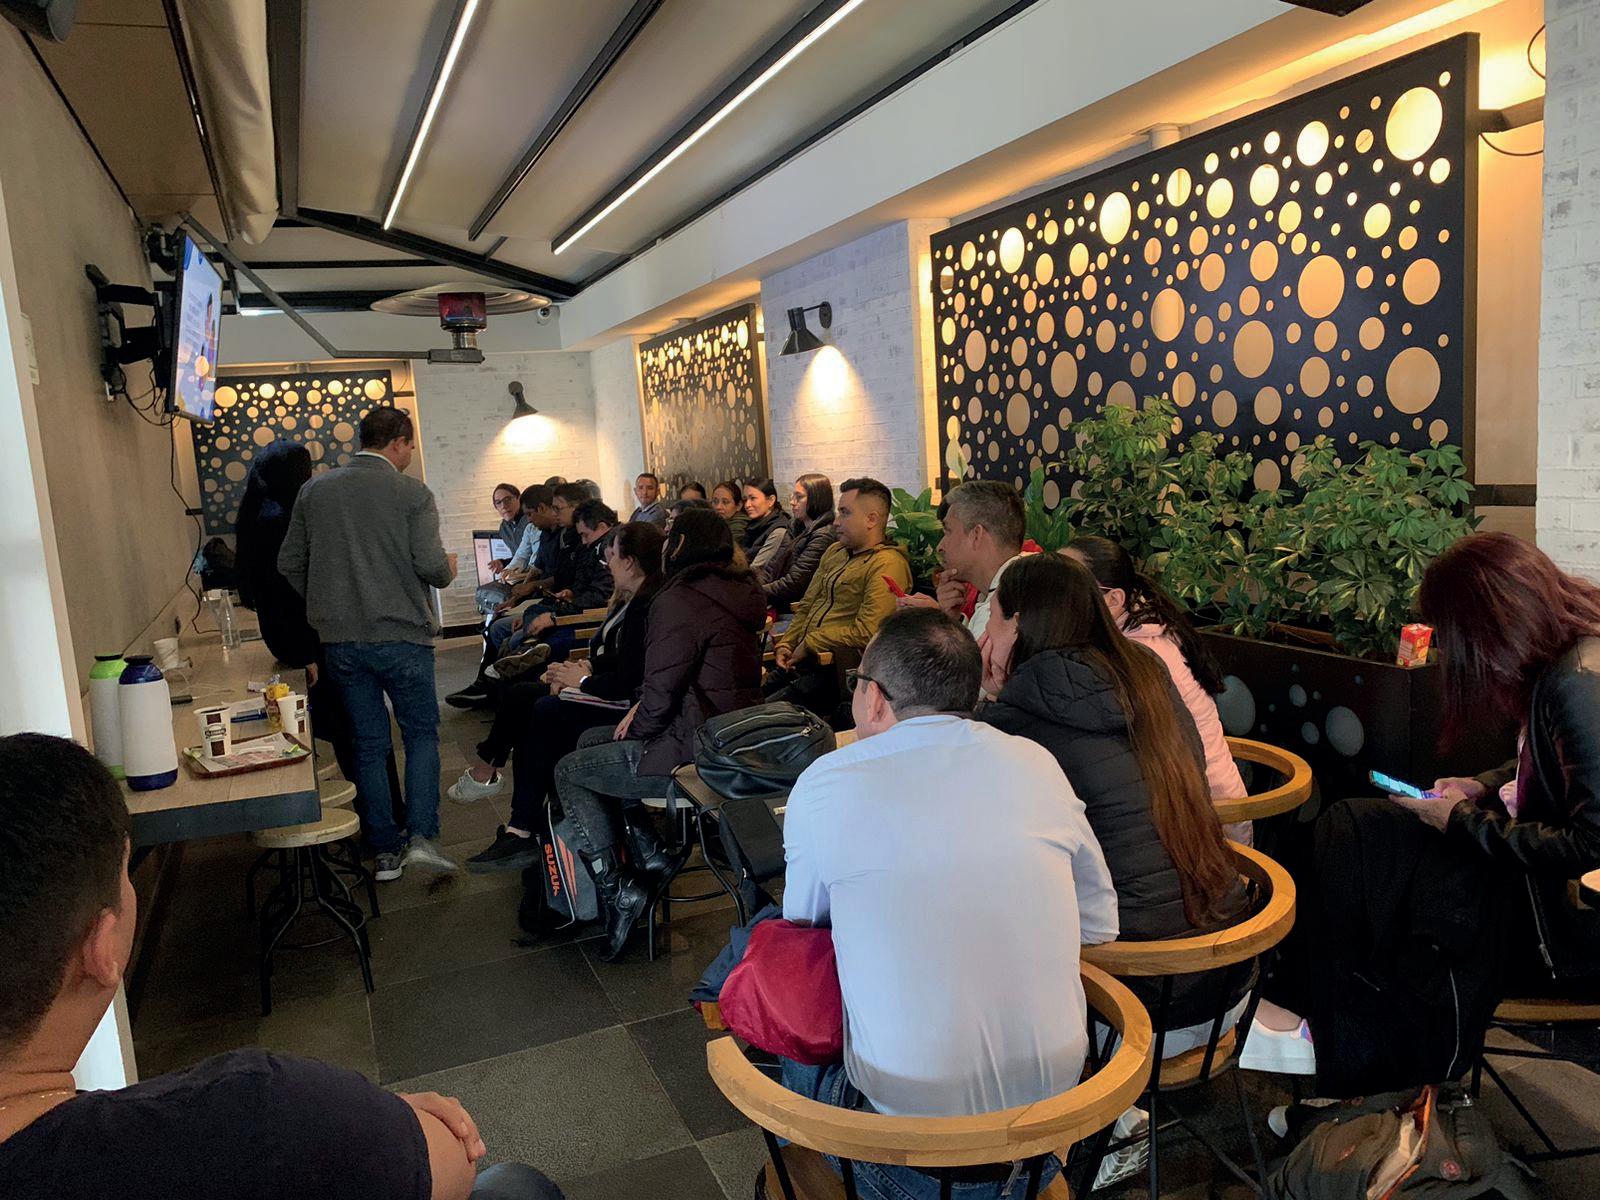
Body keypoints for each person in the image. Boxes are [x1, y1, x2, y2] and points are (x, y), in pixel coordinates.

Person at [0, 732, 566, 1200]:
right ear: (102, 950)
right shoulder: (254, 1113)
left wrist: (358, 1128)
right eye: (125, 875)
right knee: (516, 1187)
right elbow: (454, 1162)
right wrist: (360, 1125)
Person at [780, 610, 1117, 1200]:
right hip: (1048, 1135)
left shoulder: (828, 780)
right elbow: (1099, 923)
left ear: (874, 697)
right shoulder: (1036, 762)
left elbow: (803, 923)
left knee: (791, 1005)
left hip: (906, 1159)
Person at [1248, 531, 1600, 1094]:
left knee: (1365, 849)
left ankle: (1345, 1044)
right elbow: (1547, 767)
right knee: (1357, 830)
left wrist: (1462, 821)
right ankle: (1337, 1033)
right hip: (1528, 882)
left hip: (1559, 928)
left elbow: (1590, 844)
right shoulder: (1566, 663)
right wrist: (1479, 787)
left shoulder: (1577, 686)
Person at [977, 555, 1249, 1039]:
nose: (983, 630)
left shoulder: (1016, 723)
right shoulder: (1146, 672)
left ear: (1018, 623)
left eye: (992, 615)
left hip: (1129, 1006)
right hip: (1226, 974)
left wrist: (992, 701)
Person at [553, 509, 765, 961]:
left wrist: (637, 723)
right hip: (729, 740)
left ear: (682, 545)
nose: (665, 545)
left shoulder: (680, 599)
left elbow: (661, 695)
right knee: (592, 741)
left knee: (570, 770)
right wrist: (640, 712)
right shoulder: (740, 589)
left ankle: (617, 888)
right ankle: (649, 850)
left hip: (691, 753)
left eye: (671, 537)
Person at [278, 407, 457, 881]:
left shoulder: (314, 491)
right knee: (420, 735)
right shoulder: (412, 493)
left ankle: (384, 851)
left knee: (369, 742)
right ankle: (422, 837)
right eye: (410, 445)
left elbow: (289, 562)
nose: (410, 454)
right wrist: (449, 568)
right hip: (403, 636)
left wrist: (327, 599)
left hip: (340, 641)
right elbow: (433, 567)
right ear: (397, 442)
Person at [452, 523, 666, 872]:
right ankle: (513, 813)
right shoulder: (634, 599)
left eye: (611, 557)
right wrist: (580, 668)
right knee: (522, 696)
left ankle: (516, 817)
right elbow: (618, 658)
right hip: (613, 690)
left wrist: (577, 682)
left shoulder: (647, 604)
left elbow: (630, 678)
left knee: (544, 711)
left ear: (629, 562)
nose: (607, 565)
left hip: (628, 706)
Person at [234, 442, 402, 840]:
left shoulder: (260, 515)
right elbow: (290, 595)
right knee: (364, 732)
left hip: (305, 646)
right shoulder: (281, 520)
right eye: (306, 470)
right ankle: (386, 823)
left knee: (355, 733)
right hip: (317, 646)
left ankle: (383, 818)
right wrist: (305, 652)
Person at [1062, 537, 1248, 821]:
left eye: (1065, 586)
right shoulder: (1134, 629)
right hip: (1177, 800)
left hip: (1202, 816)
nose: (1051, 594)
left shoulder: (1141, 655)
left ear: (1114, 599)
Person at [768, 478, 911, 720]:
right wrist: (787, 644)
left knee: (759, 717)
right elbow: (808, 605)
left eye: (845, 513)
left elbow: (868, 632)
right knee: (746, 703)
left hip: (835, 674)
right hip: (802, 664)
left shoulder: (887, 564)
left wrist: (811, 642)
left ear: (872, 520)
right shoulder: (835, 552)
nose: (836, 521)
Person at [446, 483, 585, 708]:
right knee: (497, 624)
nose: (528, 520)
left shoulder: (572, 539)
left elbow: (563, 582)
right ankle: (488, 687)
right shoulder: (549, 535)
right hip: (549, 600)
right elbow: (534, 566)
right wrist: (516, 598)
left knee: (509, 633)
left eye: (559, 509)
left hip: (558, 605)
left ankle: (499, 690)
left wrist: (534, 593)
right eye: (497, 503)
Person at [491, 499, 618, 679]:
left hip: (590, 615)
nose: (583, 541)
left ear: (602, 527)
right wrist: (571, 593)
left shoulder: (609, 549)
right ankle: (522, 655)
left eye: (585, 535)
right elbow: (582, 583)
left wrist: (555, 615)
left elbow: (601, 594)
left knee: (541, 635)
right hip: (580, 607)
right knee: (534, 612)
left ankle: (524, 654)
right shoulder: (589, 546)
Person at [899, 480, 1026, 639]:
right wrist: (952, 620)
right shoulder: (1025, 586)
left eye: (948, 531)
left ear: (976, 536)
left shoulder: (1001, 610)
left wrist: (934, 627)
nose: (940, 546)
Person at [762, 472, 837, 612]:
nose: (792, 502)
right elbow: (772, 566)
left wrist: (756, 592)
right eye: (793, 496)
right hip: (780, 603)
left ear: (817, 499)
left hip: (798, 610)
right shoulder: (796, 527)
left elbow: (795, 584)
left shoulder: (823, 536)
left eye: (799, 497)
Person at [498, 484, 560, 585]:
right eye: (498, 502)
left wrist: (530, 584)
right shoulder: (536, 530)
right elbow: (522, 555)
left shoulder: (562, 532)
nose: (529, 520)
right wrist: (509, 569)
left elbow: (558, 574)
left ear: (542, 508)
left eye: (529, 514)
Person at [740, 478, 789, 576]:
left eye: (753, 498)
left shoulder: (778, 530)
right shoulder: (753, 525)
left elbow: (756, 569)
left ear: (771, 500)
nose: (747, 505)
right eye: (745, 499)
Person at [488, 483, 528, 575]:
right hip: (521, 574)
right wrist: (503, 563)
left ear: (518, 498)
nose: (504, 506)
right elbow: (519, 557)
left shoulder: (531, 520)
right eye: (498, 503)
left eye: (508, 500)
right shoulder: (504, 528)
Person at [711, 480, 748, 546]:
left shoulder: (738, 527)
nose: (718, 507)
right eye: (715, 501)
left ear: (739, 506)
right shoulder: (719, 523)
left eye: (725, 502)